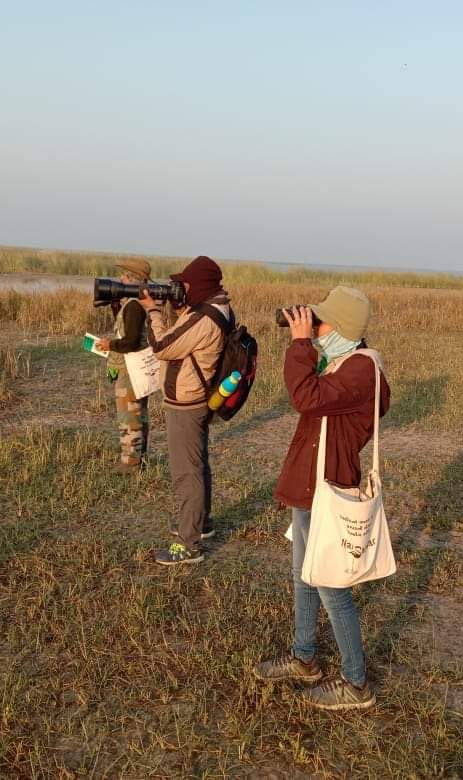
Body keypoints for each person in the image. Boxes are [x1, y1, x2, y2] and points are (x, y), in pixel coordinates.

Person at [253, 286, 390, 711]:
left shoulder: (361, 371)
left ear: (343, 328)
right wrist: (310, 345)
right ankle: (304, 656)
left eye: (322, 322)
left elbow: (305, 398)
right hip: (310, 486)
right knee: (303, 577)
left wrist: (299, 344)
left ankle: (356, 684)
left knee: (332, 587)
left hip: (329, 488)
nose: (315, 326)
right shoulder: (341, 361)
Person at [140, 256, 232, 566]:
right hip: (198, 398)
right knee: (198, 464)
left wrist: (153, 311)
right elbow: (185, 338)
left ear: (200, 285)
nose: (181, 288)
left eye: (186, 284)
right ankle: (200, 523)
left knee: (186, 473)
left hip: (187, 403)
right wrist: (181, 309)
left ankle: (187, 543)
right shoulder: (213, 307)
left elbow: (163, 346)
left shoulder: (205, 316)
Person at [97, 259, 153, 473]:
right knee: (138, 413)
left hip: (129, 369)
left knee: (129, 416)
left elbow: (129, 342)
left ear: (132, 278)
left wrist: (109, 344)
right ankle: (139, 458)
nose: (121, 279)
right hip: (135, 369)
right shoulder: (138, 302)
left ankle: (130, 463)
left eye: (125, 276)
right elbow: (130, 334)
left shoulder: (134, 306)